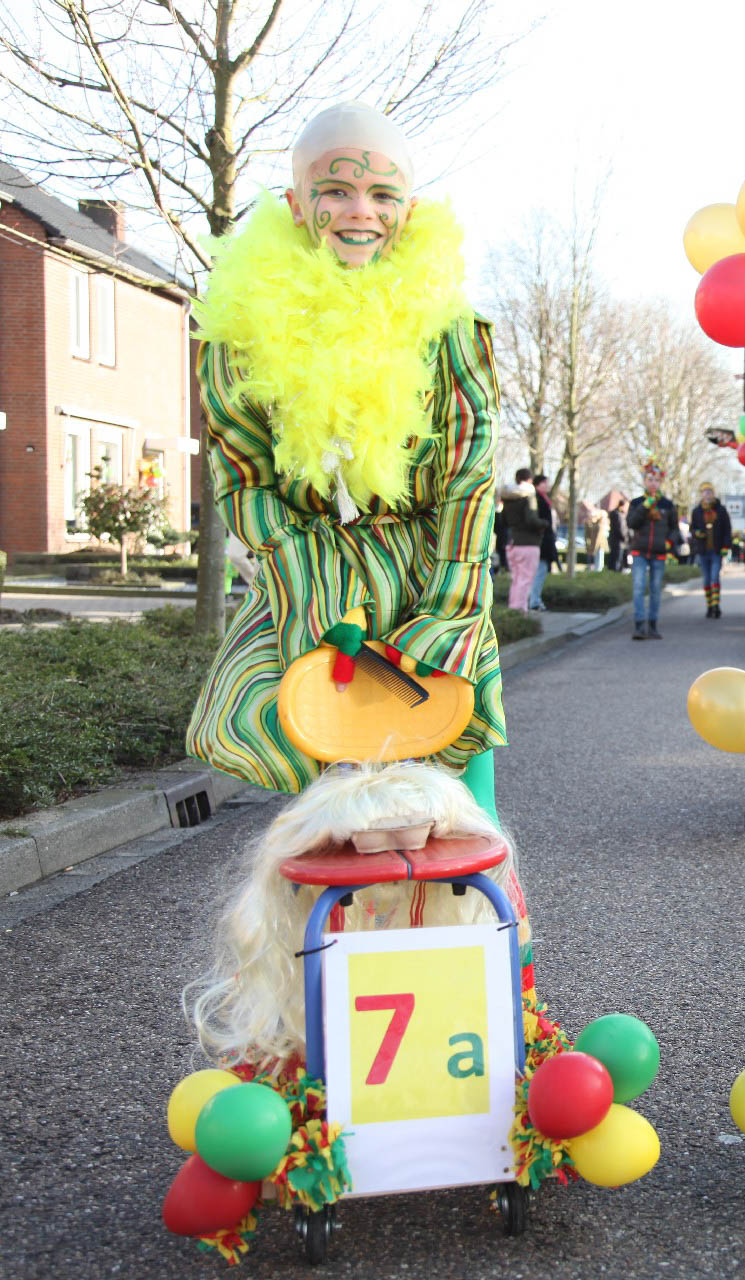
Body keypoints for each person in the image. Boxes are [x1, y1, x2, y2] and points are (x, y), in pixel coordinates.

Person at [186, 102, 505, 817]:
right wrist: (321, 597)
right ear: (297, 204)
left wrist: (445, 614)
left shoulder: (451, 329)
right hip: (308, 582)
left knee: (457, 808)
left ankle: (475, 893)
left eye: (383, 194)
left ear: (409, 210)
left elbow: (471, 475)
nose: (362, 211)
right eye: (337, 189)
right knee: (335, 809)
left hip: (432, 578)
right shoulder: (240, 332)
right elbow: (243, 479)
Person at [627, 461, 677, 639]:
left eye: (656, 480)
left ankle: (653, 625)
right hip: (639, 551)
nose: (653, 483)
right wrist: (644, 507)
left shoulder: (667, 505)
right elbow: (631, 523)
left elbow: (674, 528)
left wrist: (669, 543)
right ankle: (639, 625)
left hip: (659, 552)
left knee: (655, 589)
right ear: (644, 481)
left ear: (660, 482)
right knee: (638, 587)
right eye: (650, 479)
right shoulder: (636, 503)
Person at [499, 468, 548, 615]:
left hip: (512, 543)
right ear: (530, 480)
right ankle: (520, 611)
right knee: (526, 580)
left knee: (516, 579)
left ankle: (513, 610)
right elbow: (531, 520)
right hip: (528, 544)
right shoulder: (529, 496)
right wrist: (544, 524)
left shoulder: (508, 497)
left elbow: (503, 520)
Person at [689, 482, 734, 618]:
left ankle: (716, 605)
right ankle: (709, 605)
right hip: (703, 551)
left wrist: (726, 546)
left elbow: (727, 529)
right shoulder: (697, 511)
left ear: (713, 494)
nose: (707, 494)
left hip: (716, 550)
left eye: (709, 492)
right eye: (705, 492)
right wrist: (697, 533)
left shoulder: (721, 510)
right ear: (701, 494)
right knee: (706, 580)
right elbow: (692, 528)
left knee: (714, 578)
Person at [528, 473, 558, 610]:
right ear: (537, 484)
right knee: (539, 572)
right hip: (541, 542)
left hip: (544, 541)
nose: (547, 486)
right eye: (544, 483)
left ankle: (534, 599)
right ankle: (534, 601)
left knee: (540, 571)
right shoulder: (537, 499)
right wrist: (545, 525)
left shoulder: (543, 499)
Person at [605, 495, 628, 571]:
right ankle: (615, 571)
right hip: (618, 541)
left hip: (614, 539)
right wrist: (625, 538)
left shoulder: (616, 513)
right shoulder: (618, 515)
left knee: (614, 557)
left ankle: (612, 571)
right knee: (617, 558)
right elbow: (620, 528)